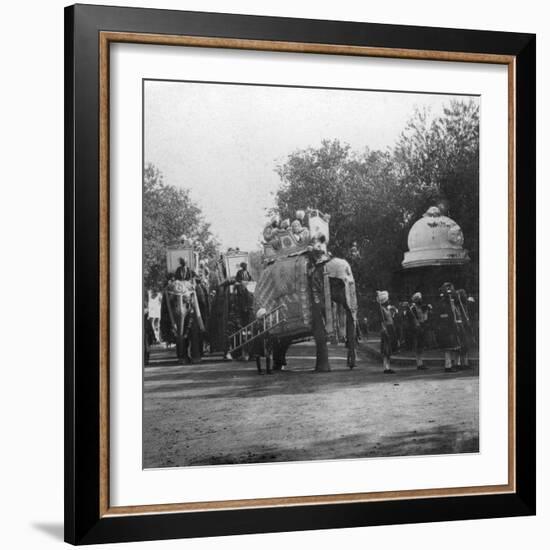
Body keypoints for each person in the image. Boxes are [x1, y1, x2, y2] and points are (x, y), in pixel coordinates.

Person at [377, 290, 398, 374]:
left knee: (389, 349)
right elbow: (382, 321)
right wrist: (384, 330)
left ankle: (388, 366)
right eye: (387, 300)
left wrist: (393, 312)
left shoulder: (386, 309)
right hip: (385, 329)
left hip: (390, 328)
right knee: (386, 349)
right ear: (384, 301)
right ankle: (386, 367)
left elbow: (391, 318)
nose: (388, 301)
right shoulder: (381, 309)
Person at [409, 292, 429, 370]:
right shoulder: (413, 309)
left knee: (421, 345)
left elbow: (425, 317)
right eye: (419, 299)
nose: (421, 300)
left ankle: (421, 362)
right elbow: (412, 319)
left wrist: (426, 312)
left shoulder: (422, 307)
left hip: (422, 326)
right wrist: (416, 325)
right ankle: (419, 363)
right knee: (417, 346)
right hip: (416, 327)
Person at [250, 308, 273, 375]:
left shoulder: (266, 322)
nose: (264, 316)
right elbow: (255, 332)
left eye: (265, 315)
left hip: (265, 340)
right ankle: (259, 370)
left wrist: (269, 337)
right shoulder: (257, 323)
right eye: (263, 315)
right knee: (258, 355)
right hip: (258, 341)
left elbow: (268, 331)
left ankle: (268, 370)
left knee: (268, 355)